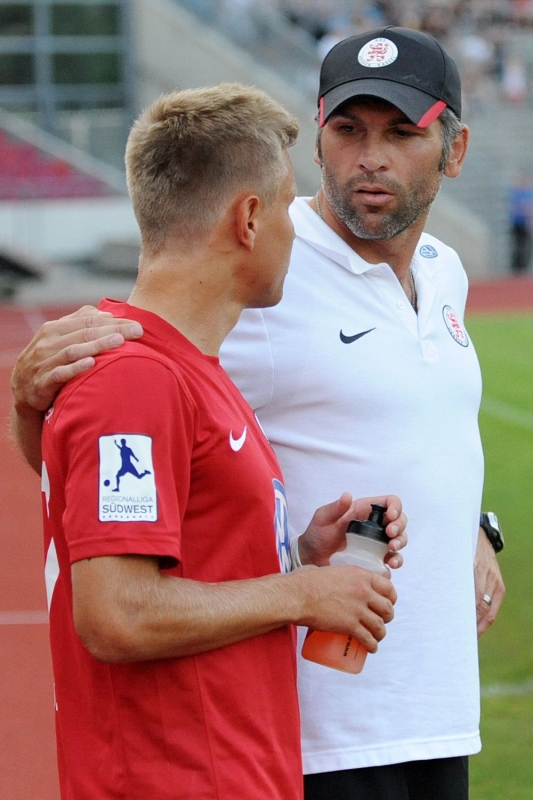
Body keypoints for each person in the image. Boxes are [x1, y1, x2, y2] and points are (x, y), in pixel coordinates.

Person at [11, 26, 505, 800]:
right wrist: (28, 406)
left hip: (428, 701)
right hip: (300, 729)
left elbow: (420, 428)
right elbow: (110, 464)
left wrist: (465, 526)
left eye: (400, 133)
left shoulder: (444, 272)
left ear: (454, 147)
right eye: (347, 130)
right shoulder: (249, 282)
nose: (369, 156)